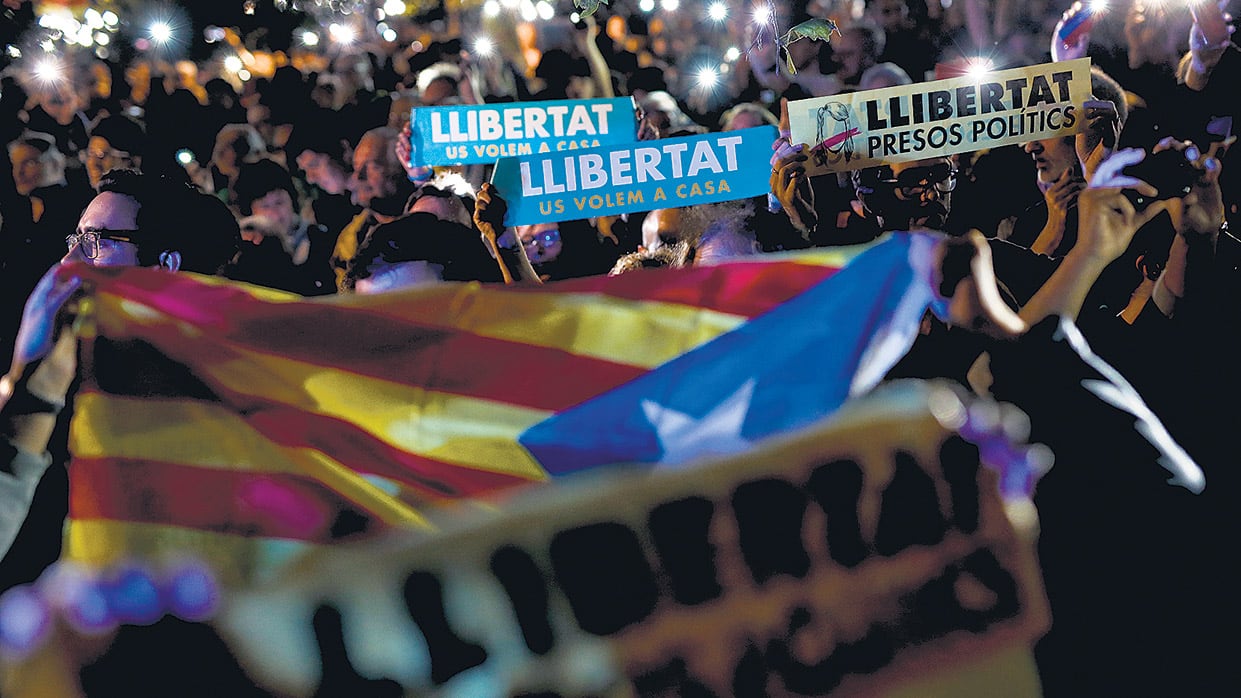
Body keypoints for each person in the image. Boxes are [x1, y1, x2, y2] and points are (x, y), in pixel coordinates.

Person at [0, 169, 241, 591]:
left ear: (165, 267)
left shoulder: (220, 411)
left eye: (96, 242)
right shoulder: (61, 392)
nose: (69, 262)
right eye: (76, 240)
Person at [227, 158, 336, 296]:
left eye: (279, 202)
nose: (275, 213)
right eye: (265, 206)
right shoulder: (246, 253)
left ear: (292, 201)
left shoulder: (319, 239)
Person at [329, 126, 419, 290]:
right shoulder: (349, 241)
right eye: (356, 167)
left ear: (402, 168)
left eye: (373, 167)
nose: (359, 177)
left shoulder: (433, 220)